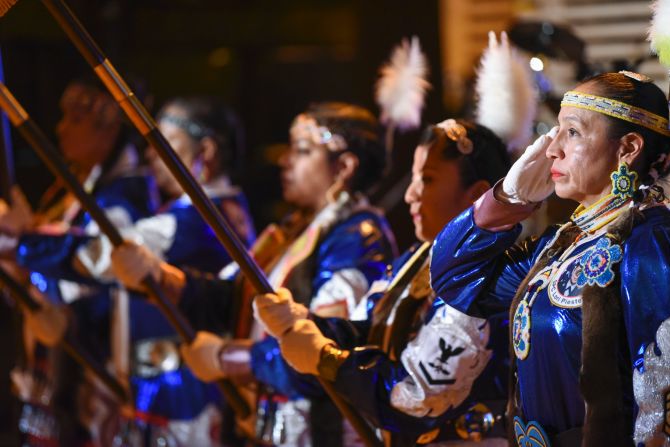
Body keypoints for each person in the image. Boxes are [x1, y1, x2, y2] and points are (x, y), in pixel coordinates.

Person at [111, 102, 397, 446]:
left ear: (345, 167)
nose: (285, 160)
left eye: (303, 151)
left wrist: (227, 358)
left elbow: (326, 349)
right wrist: (158, 276)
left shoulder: (357, 239)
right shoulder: (294, 230)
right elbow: (235, 299)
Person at [427, 71, 670, 446]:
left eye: (572, 132)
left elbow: (659, 400)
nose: (552, 148)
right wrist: (506, 201)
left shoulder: (649, 244)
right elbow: (457, 282)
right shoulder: (561, 244)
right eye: (556, 131)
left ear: (628, 148)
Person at [254, 118, 514, 446]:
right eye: (413, 178)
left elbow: (416, 396)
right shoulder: (414, 261)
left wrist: (326, 358)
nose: (410, 195)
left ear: (476, 196)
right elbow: (369, 332)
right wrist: (304, 323)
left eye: (427, 180)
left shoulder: (481, 277)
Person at [78, 96, 256, 445]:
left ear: (206, 151)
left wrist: (23, 243)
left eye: (167, 144)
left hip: (188, 401)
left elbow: (100, 257)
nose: (150, 155)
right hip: (161, 395)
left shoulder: (206, 220)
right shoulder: (192, 212)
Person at [0, 76, 158, 446]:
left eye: (75, 119)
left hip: (93, 364)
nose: (60, 128)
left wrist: (24, 248)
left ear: (107, 127)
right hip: (56, 359)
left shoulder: (125, 196)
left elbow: (97, 270)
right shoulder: (75, 187)